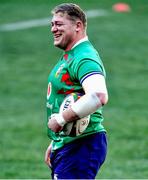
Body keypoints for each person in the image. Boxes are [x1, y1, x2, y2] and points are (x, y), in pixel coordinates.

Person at [45, 3, 109, 179]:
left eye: (59, 24)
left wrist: (60, 119)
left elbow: (98, 95)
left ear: (78, 25)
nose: (53, 29)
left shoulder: (84, 57)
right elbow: (70, 97)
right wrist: (57, 140)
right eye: (52, 24)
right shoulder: (71, 55)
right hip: (70, 143)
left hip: (82, 144)